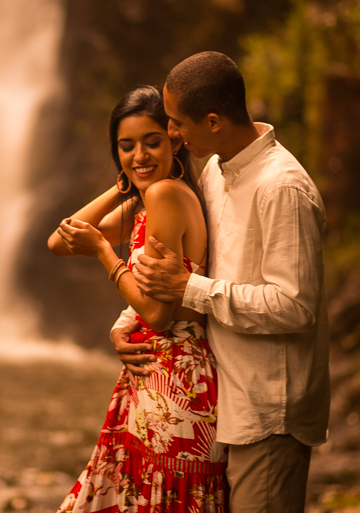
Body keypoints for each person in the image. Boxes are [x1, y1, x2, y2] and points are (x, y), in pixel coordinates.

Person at [112, 52, 330, 513]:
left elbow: (295, 305)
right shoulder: (215, 170)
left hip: (269, 413)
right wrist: (129, 319)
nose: (170, 133)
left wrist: (188, 289)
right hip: (219, 404)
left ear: (212, 121)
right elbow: (188, 261)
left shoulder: (282, 188)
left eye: (175, 123)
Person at [48, 85, 227, 513]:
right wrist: (122, 186)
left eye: (152, 143)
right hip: (160, 374)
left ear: (174, 140)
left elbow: (159, 314)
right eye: (126, 147)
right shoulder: (150, 200)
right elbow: (60, 241)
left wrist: (106, 255)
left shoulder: (166, 196)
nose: (140, 155)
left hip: (173, 382)